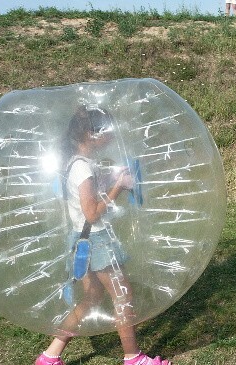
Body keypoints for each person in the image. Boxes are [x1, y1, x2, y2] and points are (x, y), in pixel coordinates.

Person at [35, 106, 170, 365]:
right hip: (95, 240)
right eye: (107, 131)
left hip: (82, 240)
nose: (110, 137)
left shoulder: (76, 163)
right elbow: (92, 213)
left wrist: (109, 179)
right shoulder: (82, 168)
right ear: (91, 134)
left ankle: (50, 356)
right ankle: (134, 358)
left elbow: (86, 200)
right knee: (123, 295)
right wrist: (119, 187)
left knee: (93, 296)